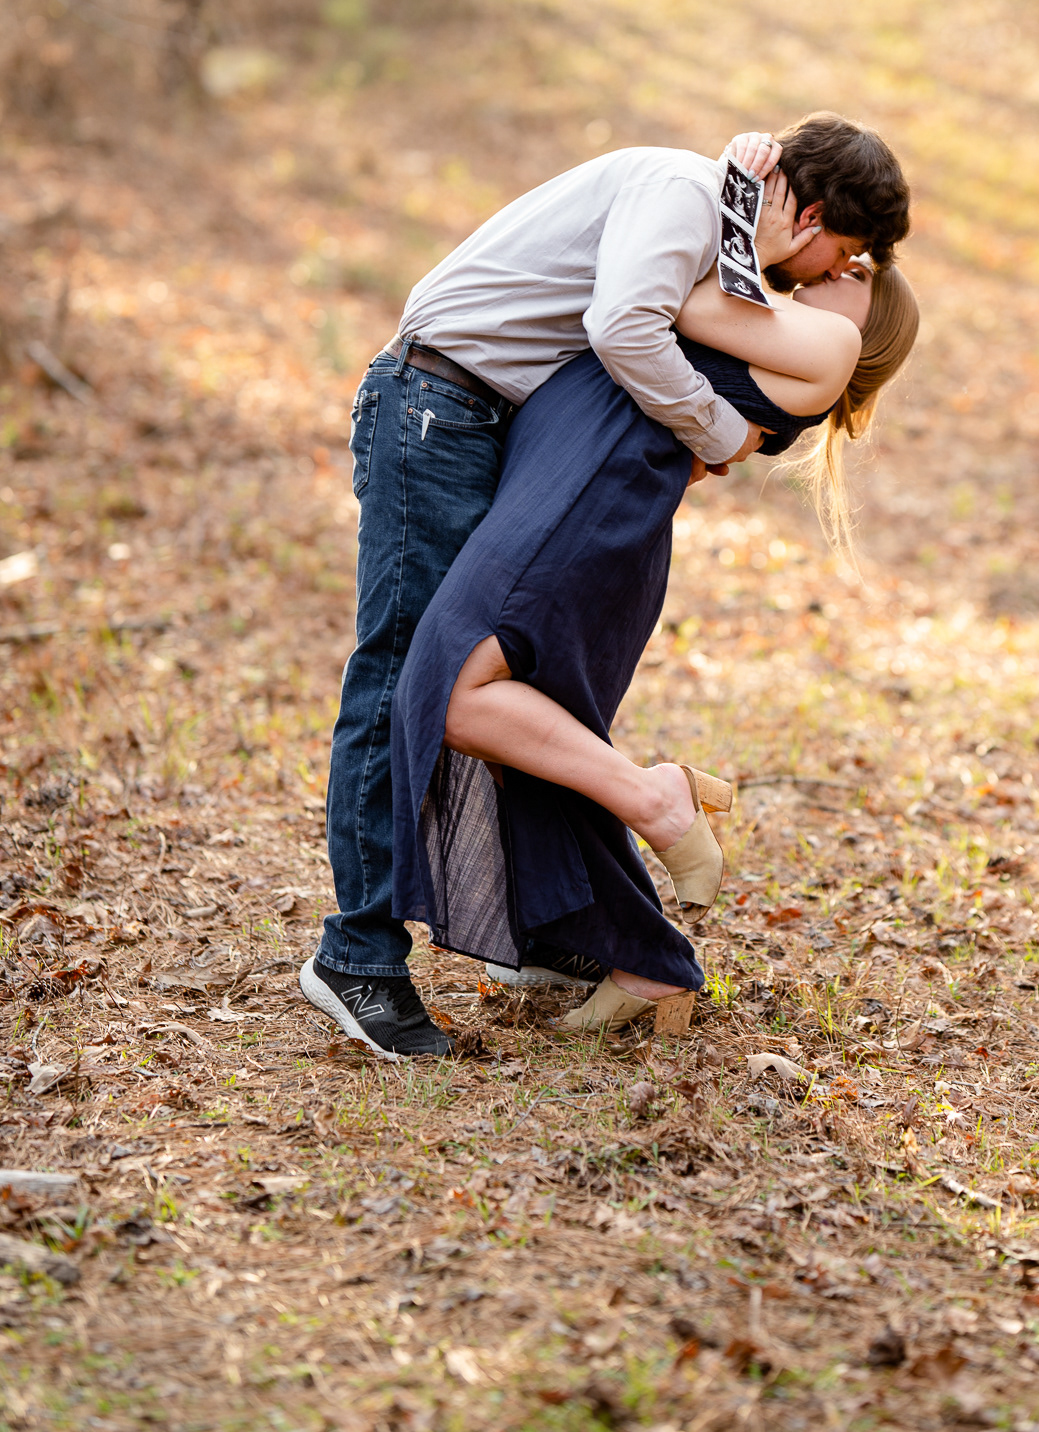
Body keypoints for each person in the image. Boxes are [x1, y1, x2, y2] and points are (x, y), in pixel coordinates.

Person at [300, 114, 911, 1058]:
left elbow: (671, 320)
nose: (835, 273)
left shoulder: (727, 242)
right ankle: (359, 958)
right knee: (401, 679)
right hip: (438, 404)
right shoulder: (682, 194)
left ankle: (549, 927)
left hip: (489, 423)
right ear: (818, 214)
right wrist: (717, 434)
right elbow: (624, 321)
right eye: (849, 251)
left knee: (477, 677)